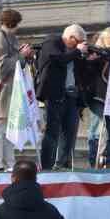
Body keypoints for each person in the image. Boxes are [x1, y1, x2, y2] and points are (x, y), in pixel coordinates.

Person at [0, 9, 35, 170]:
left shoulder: (9, 37)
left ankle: (8, 161)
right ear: (12, 23)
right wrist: (21, 55)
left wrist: (23, 55)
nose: (18, 28)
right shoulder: (0, 38)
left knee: (9, 126)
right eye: (17, 24)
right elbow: (2, 66)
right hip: (3, 88)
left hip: (11, 88)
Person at [36, 24, 86, 169]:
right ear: (70, 37)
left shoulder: (74, 51)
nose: (79, 46)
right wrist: (77, 52)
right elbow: (58, 59)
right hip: (54, 95)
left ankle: (62, 163)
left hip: (71, 95)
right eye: (77, 42)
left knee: (69, 131)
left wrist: (87, 57)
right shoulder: (52, 42)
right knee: (52, 132)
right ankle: (46, 165)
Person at [83, 27, 110, 167]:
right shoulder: (94, 50)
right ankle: (94, 160)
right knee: (97, 128)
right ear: (103, 39)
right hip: (97, 96)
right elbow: (92, 66)